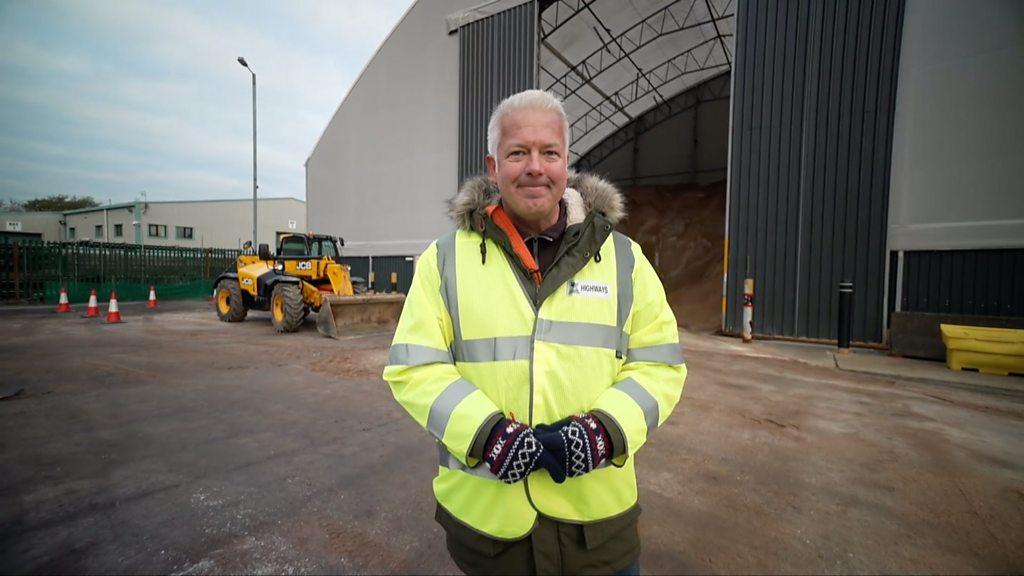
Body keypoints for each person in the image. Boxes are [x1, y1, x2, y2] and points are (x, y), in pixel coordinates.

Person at [383, 89, 687, 575]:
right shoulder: (444, 261)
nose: (535, 167)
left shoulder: (624, 259)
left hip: (599, 536)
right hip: (490, 539)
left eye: (549, 152)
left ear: (567, 162)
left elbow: (660, 365)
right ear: (493, 165)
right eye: (517, 152)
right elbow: (415, 367)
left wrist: (603, 433)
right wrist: (487, 434)